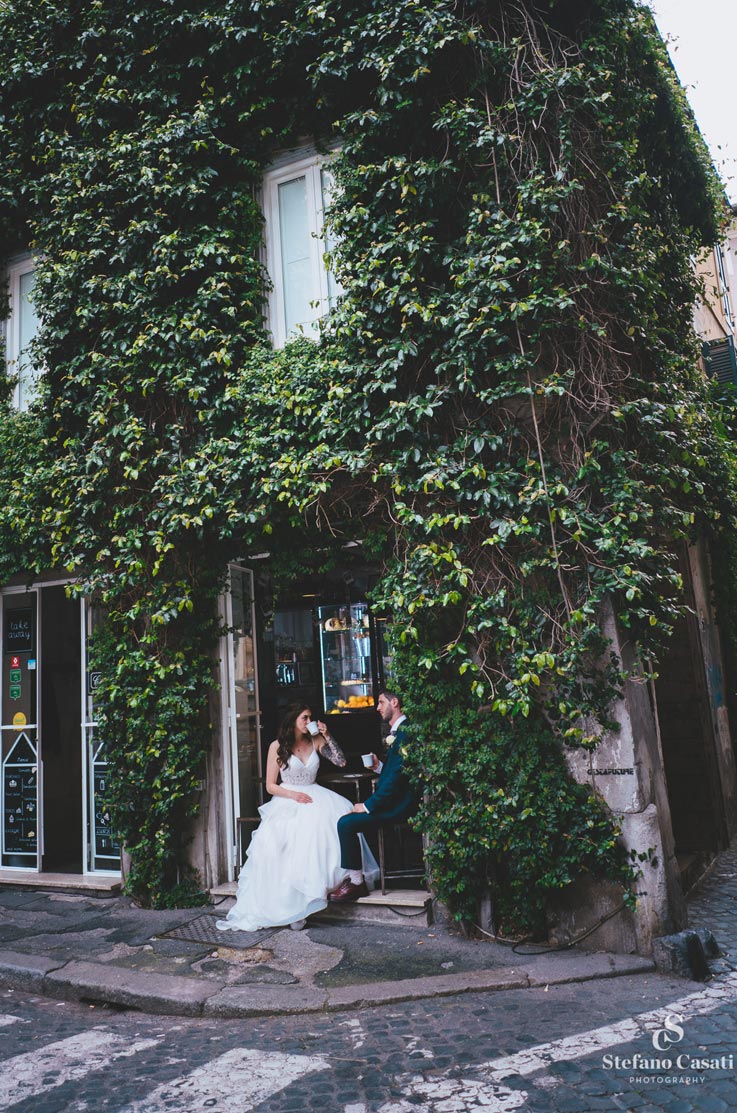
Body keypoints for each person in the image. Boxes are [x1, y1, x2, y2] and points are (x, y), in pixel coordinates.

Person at [217, 703, 377, 932]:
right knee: (287, 851)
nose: (308, 721)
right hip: (289, 797)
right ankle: (291, 906)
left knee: (329, 833)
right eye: (304, 717)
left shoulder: (316, 740)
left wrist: (327, 733)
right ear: (293, 720)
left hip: (316, 795)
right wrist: (293, 795)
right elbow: (271, 786)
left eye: (310, 717)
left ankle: (317, 895)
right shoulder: (277, 746)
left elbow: (340, 761)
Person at [330, 688, 418, 902]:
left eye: (381, 702)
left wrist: (368, 805)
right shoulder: (400, 732)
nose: (377, 707)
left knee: (346, 823)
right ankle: (355, 879)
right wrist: (380, 767)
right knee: (347, 819)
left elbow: (397, 780)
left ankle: (357, 883)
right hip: (394, 802)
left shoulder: (404, 733)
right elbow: (396, 771)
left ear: (394, 702)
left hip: (399, 806)